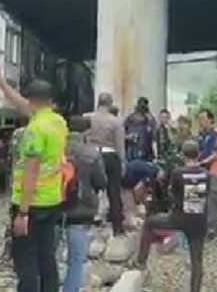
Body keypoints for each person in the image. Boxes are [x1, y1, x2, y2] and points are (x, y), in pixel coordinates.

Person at [0, 72, 68, 292]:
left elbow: (31, 173)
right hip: (52, 201)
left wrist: (23, 213)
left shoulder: (35, 130)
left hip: (32, 204)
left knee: (25, 262)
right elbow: (24, 107)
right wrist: (2, 83)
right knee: (47, 257)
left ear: (34, 100)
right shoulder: (57, 122)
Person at [133, 140, 209, 292]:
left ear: (183, 155)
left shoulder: (178, 172)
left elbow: (171, 193)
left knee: (149, 223)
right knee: (197, 259)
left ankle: (141, 260)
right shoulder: (207, 174)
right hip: (199, 219)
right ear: (198, 154)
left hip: (179, 217)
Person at [62, 116, 107, 292]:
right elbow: (101, 182)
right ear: (87, 132)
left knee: (49, 256)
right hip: (80, 212)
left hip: (53, 208)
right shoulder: (92, 153)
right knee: (76, 259)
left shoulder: (56, 149)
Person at [86, 92, 127, 236]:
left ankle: (87, 225)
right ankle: (117, 228)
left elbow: (84, 138)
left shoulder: (88, 117)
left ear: (98, 102)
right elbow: (120, 145)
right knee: (114, 192)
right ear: (110, 104)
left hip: (91, 155)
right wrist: (122, 163)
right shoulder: (116, 121)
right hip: (110, 154)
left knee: (90, 191)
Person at [196, 109, 217, 238]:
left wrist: (203, 162)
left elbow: (216, 153)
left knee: (213, 198)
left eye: (203, 118)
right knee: (199, 196)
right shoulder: (200, 134)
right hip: (200, 168)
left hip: (213, 168)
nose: (201, 122)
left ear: (210, 119)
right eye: (199, 119)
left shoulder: (216, 134)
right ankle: (200, 225)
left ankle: (213, 226)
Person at [124, 97, 156, 162]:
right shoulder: (130, 118)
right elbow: (123, 133)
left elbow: (154, 135)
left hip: (147, 152)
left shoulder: (149, 119)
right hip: (133, 150)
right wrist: (128, 137)